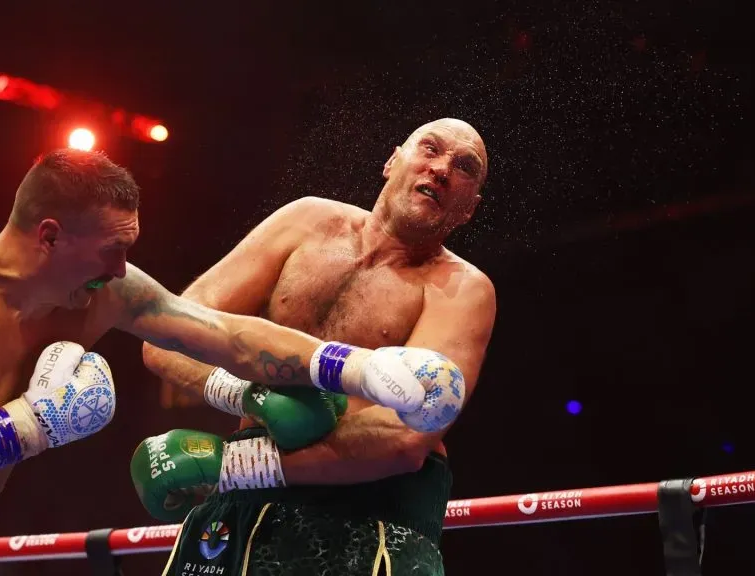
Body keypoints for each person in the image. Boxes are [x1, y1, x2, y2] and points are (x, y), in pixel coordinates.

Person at [0, 149, 440, 576]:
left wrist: (354, 369)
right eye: (109, 250)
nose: (121, 270)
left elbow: (226, 335)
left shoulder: (100, 293)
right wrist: (33, 424)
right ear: (49, 236)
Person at [136, 118, 496, 575]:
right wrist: (248, 395)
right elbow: (171, 332)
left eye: (464, 167)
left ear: (469, 209)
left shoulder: (462, 290)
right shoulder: (305, 222)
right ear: (392, 160)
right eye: (430, 148)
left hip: (370, 513)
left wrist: (234, 464)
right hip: (242, 506)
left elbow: (404, 438)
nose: (442, 168)